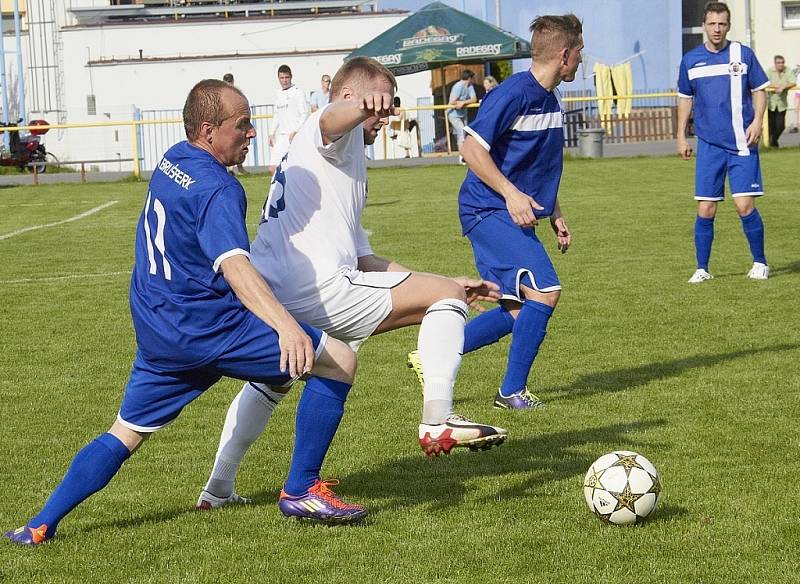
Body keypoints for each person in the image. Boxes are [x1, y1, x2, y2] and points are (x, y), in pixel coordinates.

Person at [4, 80, 367, 546]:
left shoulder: (173, 158)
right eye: (242, 125)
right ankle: (301, 490)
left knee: (126, 431)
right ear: (209, 130)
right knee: (337, 359)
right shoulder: (220, 189)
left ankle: (40, 524)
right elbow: (234, 265)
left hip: (160, 331)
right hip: (210, 327)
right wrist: (285, 327)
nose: (252, 133)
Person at [197, 58, 507, 509]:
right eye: (381, 106)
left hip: (274, 287)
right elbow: (329, 117)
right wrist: (362, 106)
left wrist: (434, 281)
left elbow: (364, 257)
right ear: (352, 99)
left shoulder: (347, 159)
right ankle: (437, 420)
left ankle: (218, 488)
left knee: (275, 381)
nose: (384, 117)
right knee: (444, 298)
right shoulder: (327, 130)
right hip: (315, 285)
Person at [408, 15, 581, 411]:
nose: (580, 62)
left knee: (516, 308)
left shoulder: (552, 99)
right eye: (579, 54)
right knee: (546, 291)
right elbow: (470, 151)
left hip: (509, 210)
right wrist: (511, 195)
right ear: (564, 53)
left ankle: (431, 356)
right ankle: (511, 392)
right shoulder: (512, 94)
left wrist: (555, 213)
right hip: (486, 208)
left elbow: (539, 168)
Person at [677, 2, 770, 284]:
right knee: (705, 208)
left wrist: (757, 122)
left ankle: (760, 263)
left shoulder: (743, 55)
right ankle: (702, 268)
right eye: (712, 24)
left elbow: (760, 90)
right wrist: (681, 135)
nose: (716, 29)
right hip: (709, 145)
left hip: (742, 143)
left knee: (744, 206)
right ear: (704, 25)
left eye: (722, 24)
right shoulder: (691, 60)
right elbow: (685, 98)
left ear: (728, 26)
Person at [268, 64, 308, 175]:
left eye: (286, 77)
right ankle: (282, 190)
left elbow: (304, 114)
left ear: (291, 77)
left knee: (294, 169)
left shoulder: (297, 92)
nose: (284, 80)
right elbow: (277, 114)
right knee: (272, 168)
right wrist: (271, 133)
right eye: (282, 78)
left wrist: (296, 131)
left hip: (294, 137)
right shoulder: (278, 93)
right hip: (282, 136)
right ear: (278, 78)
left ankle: (291, 190)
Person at [766, 55, 796, 147]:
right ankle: (773, 144)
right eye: (778, 63)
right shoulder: (769, 71)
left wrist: (783, 87)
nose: (781, 65)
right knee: (771, 126)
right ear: (775, 63)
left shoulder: (788, 70)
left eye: (782, 62)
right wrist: (776, 87)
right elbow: (766, 82)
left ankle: (773, 141)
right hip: (771, 103)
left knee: (781, 126)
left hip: (782, 104)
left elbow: (793, 82)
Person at [448, 69, 477, 161]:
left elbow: (474, 99)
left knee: (465, 134)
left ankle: (465, 155)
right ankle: (462, 158)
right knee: (461, 132)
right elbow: (452, 102)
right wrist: (459, 103)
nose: (473, 81)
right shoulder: (458, 86)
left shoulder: (469, 86)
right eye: (472, 78)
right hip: (453, 114)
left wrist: (463, 102)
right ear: (469, 78)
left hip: (463, 113)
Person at [222, 72, 248, 174]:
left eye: (229, 82)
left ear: (232, 82)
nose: (228, 84)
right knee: (228, 145)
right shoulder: (221, 94)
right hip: (227, 123)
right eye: (226, 82)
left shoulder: (237, 94)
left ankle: (239, 168)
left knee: (239, 144)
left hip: (237, 123)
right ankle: (229, 169)